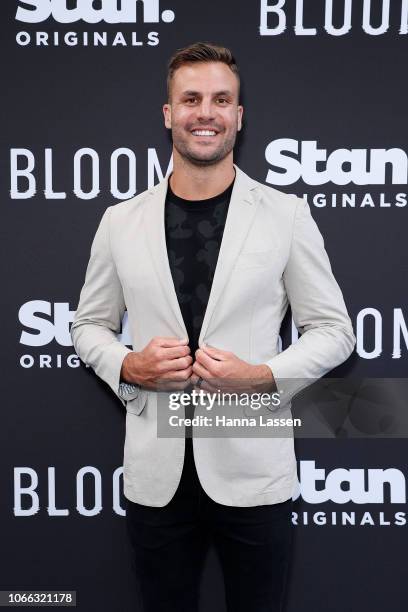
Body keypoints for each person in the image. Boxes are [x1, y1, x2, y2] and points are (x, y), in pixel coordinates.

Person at [71, 42, 355, 612]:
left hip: (254, 472)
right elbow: (89, 324)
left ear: (239, 116)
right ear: (168, 113)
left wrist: (263, 375)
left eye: (221, 99)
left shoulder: (286, 215)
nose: (207, 112)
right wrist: (127, 363)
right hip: (157, 476)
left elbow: (334, 330)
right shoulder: (120, 221)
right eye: (192, 98)